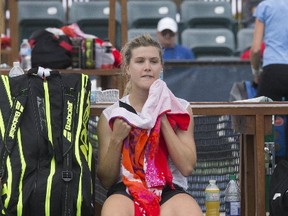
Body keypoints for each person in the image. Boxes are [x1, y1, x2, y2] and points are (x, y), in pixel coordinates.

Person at [96, 34, 202, 216]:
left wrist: (164, 121)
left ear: (161, 67)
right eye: (140, 61)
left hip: (170, 187)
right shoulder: (111, 115)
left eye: (153, 61)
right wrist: (116, 139)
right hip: (126, 188)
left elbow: (186, 167)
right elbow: (106, 180)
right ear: (128, 68)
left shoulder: (180, 108)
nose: (147, 67)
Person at [250, 0, 288, 100]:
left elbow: (256, 49)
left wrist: (256, 73)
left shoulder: (265, 6)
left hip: (273, 70)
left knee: (259, 114)